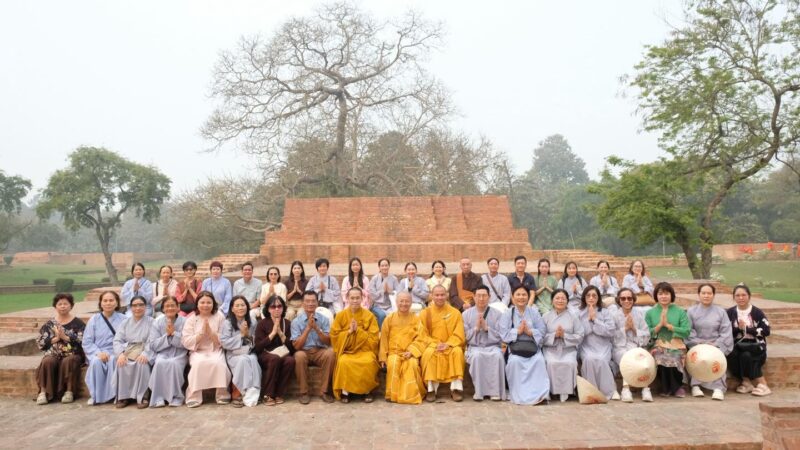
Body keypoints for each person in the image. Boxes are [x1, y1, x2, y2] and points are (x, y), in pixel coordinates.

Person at [500, 285, 550, 405]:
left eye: (524, 295)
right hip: (515, 348)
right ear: (513, 297)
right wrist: (517, 331)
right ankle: (519, 395)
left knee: (539, 361)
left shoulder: (534, 312)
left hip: (532, 347)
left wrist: (530, 332)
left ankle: (539, 395)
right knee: (514, 362)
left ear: (528, 297)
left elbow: (542, 330)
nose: (521, 297)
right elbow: (503, 334)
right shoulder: (508, 313)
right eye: (518, 294)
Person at [181, 291, 231, 408]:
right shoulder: (191, 319)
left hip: (215, 349)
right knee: (198, 364)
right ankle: (194, 396)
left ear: (213, 304)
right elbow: (186, 340)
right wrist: (201, 334)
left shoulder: (219, 316)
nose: (205, 305)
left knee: (219, 364)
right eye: (202, 302)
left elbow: (225, 337)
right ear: (197, 304)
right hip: (198, 351)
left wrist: (211, 333)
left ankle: (222, 394)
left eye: (209, 302)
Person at [330, 288, 380, 403]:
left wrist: (358, 331)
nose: (355, 301)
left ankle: (367, 391)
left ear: (362, 299)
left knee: (369, 361)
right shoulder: (340, 315)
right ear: (347, 299)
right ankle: (345, 392)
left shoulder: (369, 316)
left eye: (357, 298)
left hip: (365, 350)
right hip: (347, 351)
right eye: (352, 298)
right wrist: (348, 332)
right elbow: (334, 336)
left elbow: (374, 340)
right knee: (343, 361)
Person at [35, 293, 85, 405]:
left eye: (65, 304)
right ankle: (43, 392)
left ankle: (69, 391)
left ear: (71, 306)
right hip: (53, 353)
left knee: (69, 361)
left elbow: (84, 341)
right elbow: (40, 343)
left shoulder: (78, 323)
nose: (63, 306)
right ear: (55, 306)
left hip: (72, 353)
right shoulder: (49, 324)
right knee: (47, 361)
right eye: (60, 304)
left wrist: (65, 337)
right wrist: (56, 338)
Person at [686, 283, 733, 401]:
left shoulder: (721, 312)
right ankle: (695, 386)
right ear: (699, 295)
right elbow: (688, 331)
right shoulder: (691, 311)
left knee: (716, 360)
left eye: (709, 293)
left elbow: (726, 331)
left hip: (715, 345)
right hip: (698, 345)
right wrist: (699, 343)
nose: (706, 296)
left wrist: (716, 344)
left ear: (713, 295)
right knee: (699, 359)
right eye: (703, 293)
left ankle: (718, 388)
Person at [419, 284, 466, 402]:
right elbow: (422, 334)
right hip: (432, 345)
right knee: (428, 354)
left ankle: (456, 389)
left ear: (447, 296)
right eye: (437, 295)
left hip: (451, 345)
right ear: (431, 296)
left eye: (442, 295)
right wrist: (435, 344)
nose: (440, 297)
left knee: (457, 352)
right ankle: (431, 390)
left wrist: (448, 344)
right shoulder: (425, 313)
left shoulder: (455, 313)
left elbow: (459, 333)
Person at [379, 291, 427, 404]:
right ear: (396, 302)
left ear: (411, 303)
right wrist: (383, 357)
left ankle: (411, 395)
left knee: (412, 364)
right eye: (401, 301)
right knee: (393, 363)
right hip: (394, 352)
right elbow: (384, 338)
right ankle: (392, 395)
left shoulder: (416, 319)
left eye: (407, 301)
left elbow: (422, 338)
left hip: (410, 353)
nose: (404, 304)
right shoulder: (389, 318)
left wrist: (411, 352)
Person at [645, 282, 691, 398]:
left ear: (671, 295)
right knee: (660, 356)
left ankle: (677, 387)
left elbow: (686, 331)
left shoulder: (680, 311)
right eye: (660, 294)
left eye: (666, 294)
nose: (663, 296)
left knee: (674, 357)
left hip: (676, 343)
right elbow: (646, 332)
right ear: (656, 295)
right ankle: (666, 387)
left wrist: (670, 326)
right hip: (658, 343)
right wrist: (659, 325)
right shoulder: (650, 313)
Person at [290, 290, 336, 404]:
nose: (310, 303)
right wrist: (308, 328)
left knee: (331, 353)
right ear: (303, 303)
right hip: (304, 351)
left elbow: (328, 342)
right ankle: (304, 392)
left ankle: (324, 391)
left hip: (320, 351)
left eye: (313, 301)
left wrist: (316, 328)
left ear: (317, 303)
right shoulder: (296, 322)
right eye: (307, 301)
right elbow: (296, 346)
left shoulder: (324, 319)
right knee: (299, 356)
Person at [727, 284, 772, 397]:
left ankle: (763, 384)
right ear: (733, 297)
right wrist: (738, 329)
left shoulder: (757, 312)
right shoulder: (730, 312)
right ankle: (746, 382)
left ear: (749, 296)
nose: (741, 298)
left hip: (756, 345)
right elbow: (726, 330)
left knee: (746, 355)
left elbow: (766, 331)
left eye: (744, 295)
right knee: (731, 354)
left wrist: (747, 329)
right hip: (737, 345)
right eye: (737, 295)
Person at [462, 285, 506, 401]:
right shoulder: (466, 314)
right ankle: (479, 392)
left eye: (484, 296)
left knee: (497, 356)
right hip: (475, 347)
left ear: (489, 297)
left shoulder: (498, 314)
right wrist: (476, 328)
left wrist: (487, 328)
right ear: (474, 297)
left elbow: (501, 335)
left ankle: (495, 392)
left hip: (492, 346)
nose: (481, 298)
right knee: (477, 356)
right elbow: (464, 337)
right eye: (479, 296)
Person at [83, 290, 126, 406]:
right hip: (98, 351)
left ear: (117, 303)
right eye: (105, 301)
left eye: (111, 300)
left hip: (116, 351)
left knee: (113, 360)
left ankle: (115, 394)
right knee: (96, 362)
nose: (108, 303)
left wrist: (120, 352)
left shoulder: (124, 319)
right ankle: (96, 395)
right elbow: (87, 341)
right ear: (101, 303)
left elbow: (128, 340)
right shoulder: (94, 319)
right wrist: (98, 353)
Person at [541, 289, 584, 402]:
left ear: (567, 301)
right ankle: (551, 390)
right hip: (551, 348)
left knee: (570, 363)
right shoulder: (546, 316)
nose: (560, 301)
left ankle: (565, 391)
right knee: (551, 363)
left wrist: (564, 336)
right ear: (552, 301)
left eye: (563, 298)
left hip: (568, 348)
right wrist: (554, 335)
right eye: (557, 298)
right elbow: (540, 336)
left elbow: (580, 335)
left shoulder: (573, 316)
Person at [576, 285, 618, 400]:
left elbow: (610, 331)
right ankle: (592, 391)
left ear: (598, 298)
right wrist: (589, 321)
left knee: (601, 360)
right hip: (586, 346)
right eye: (588, 295)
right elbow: (579, 332)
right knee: (589, 359)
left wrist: (595, 319)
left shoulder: (605, 312)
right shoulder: (578, 313)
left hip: (603, 345)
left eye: (594, 296)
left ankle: (607, 391)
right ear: (584, 297)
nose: (591, 298)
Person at [611, 288, 652, 403]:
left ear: (633, 300)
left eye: (629, 298)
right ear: (619, 300)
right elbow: (610, 335)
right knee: (626, 358)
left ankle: (645, 388)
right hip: (620, 348)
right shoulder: (614, 316)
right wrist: (624, 329)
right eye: (623, 298)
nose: (626, 301)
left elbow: (646, 334)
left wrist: (634, 329)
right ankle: (625, 388)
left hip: (636, 346)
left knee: (642, 358)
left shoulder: (639, 315)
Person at [113, 295, 154, 408]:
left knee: (142, 363)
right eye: (135, 305)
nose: (138, 308)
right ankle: (123, 396)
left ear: (145, 306)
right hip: (129, 350)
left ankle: (143, 396)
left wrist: (145, 353)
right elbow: (117, 340)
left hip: (144, 350)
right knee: (122, 363)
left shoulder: (152, 322)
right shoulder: (125, 323)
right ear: (131, 307)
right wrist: (120, 354)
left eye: (141, 305)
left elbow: (153, 340)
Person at [221, 295, 262, 407]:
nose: (240, 308)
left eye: (243, 305)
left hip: (248, 351)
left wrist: (247, 335)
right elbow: (224, 343)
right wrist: (241, 335)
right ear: (232, 309)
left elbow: (255, 340)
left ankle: (252, 392)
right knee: (243, 360)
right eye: (237, 305)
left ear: (247, 307)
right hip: (233, 354)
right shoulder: (228, 323)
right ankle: (238, 392)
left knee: (253, 359)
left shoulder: (252, 321)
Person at [147, 296, 188, 408]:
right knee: (160, 363)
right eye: (167, 306)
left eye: (173, 305)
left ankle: (176, 397)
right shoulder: (157, 322)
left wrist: (174, 334)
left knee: (173, 364)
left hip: (180, 353)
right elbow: (153, 344)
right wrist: (167, 335)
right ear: (163, 308)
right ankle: (159, 397)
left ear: (178, 307)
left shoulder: (185, 321)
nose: (170, 308)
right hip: (163, 353)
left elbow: (187, 342)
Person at [254, 294, 295, 406]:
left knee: (290, 360)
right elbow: (258, 347)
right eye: (273, 306)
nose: (277, 309)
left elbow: (292, 348)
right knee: (274, 359)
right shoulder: (262, 324)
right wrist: (272, 334)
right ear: (268, 309)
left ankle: (279, 393)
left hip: (283, 354)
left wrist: (280, 333)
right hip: (265, 354)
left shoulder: (287, 323)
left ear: (283, 308)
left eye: (279, 306)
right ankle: (267, 394)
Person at [341, 256, 386, 327]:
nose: (355, 267)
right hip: (350, 303)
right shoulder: (346, 279)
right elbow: (343, 294)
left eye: (357, 265)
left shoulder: (365, 279)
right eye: (353, 265)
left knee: (364, 313)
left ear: (360, 266)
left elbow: (368, 294)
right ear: (350, 267)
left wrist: (359, 288)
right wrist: (353, 289)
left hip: (363, 302)